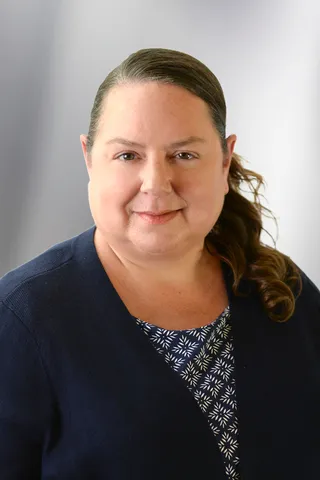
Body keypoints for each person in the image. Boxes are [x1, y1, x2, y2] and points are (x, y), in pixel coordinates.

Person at [0, 47, 319, 480]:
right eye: (128, 155)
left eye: (184, 155)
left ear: (224, 161)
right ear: (89, 158)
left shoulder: (282, 289)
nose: (156, 183)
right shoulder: (20, 319)